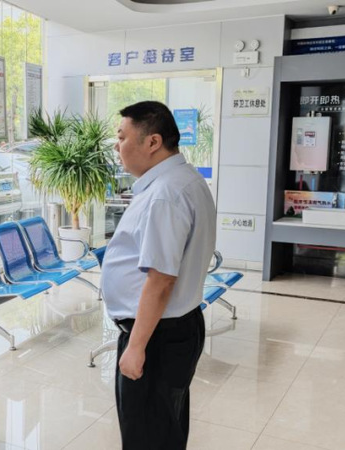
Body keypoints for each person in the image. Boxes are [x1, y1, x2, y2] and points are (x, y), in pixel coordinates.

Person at [100, 101, 217, 449]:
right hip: (171, 328)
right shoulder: (183, 180)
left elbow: (161, 280)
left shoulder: (166, 194)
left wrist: (137, 346)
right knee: (165, 430)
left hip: (156, 336)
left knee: (147, 436)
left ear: (152, 142)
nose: (117, 146)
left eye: (122, 137)